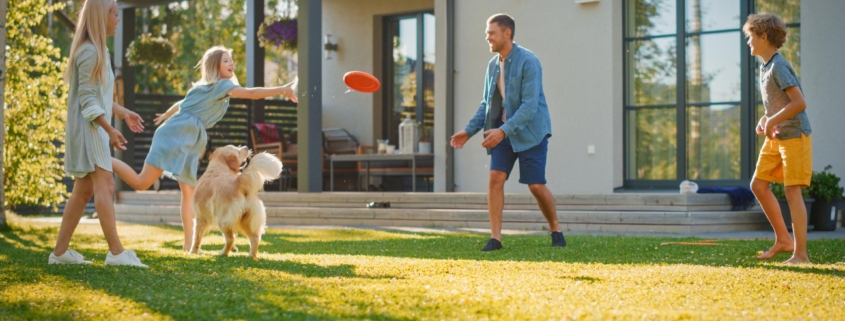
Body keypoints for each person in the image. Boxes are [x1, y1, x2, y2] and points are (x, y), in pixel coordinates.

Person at [111, 46, 297, 251]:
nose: (231, 64)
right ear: (215, 65)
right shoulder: (221, 85)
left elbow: (182, 103)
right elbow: (251, 93)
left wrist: (166, 114)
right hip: (176, 136)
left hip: (187, 139)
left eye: (231, 60)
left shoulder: (206, 87)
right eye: (226, 60)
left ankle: (189, 244)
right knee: (141, 183)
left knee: (189, 192)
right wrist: (281, 89)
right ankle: (106, 160)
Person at [450, 13, 566, 251]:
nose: (487, 38)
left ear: (507, 33)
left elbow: (529, 106)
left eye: (491, 33)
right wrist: (468, 131)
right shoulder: (492, 66)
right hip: (502, 131)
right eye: (486, 33)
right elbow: (487, 104)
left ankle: (555, 227)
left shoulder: (529, 61)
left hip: (531, 131)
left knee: (535, 185)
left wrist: (503, 131)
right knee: (495, 178)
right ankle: (496, 238)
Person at [50, 0, 148, 267]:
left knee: (83, 192)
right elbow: (87, 102)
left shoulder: (100, 51)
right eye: (115, 14)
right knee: (105, 185)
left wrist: (123, 112)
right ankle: (116, 253)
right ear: (100, 17)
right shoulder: (89, 52)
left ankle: (59, 254)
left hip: (94, 127)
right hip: (89, 130)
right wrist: (110, 129)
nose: (118, 19)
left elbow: (100, 99)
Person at [744, 14, 813, 264]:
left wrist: (772, 120)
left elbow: (799, 103)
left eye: (751, 37)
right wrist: (766, 118)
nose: (748, 42)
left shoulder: (779, 66)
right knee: (758, 185)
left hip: (795, 135)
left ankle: (801, 255)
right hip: (777, 135)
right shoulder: (765, 67)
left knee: (792, 191)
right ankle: (784, 240)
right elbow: (778, 104)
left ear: (764, 36)